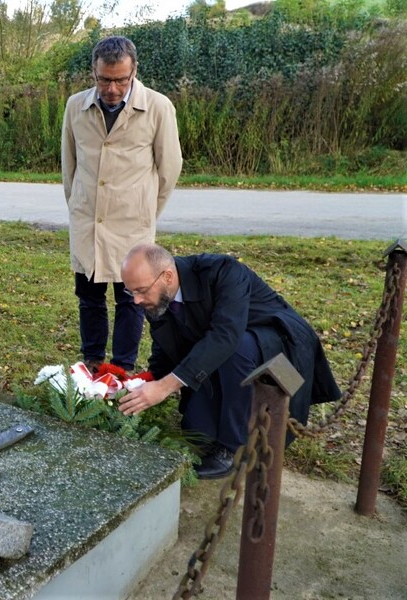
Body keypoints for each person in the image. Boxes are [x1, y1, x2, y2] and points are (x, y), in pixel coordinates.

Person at [117, 243, 341, 479]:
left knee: (236, 347)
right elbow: (165, 343)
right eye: (131, 292)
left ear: (168, 277)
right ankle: (216, 430)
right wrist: (145, 382)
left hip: (277, 343)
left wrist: (165, 387)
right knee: (197, 432)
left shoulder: (223, 271)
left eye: (141, 291)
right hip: (229, 346)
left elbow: (225, 336)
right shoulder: (156, 294)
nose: (136, 300)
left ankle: (234, 447)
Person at [61, 35, 183, 377]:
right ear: (93, 73)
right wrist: (78, 206)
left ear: (134, 72)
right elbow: (69, 166)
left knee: (132, 299)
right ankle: (93, 363)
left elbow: (169, 168)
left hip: (133, 224)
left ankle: (121, 369)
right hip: (88, 221)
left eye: (120, 80)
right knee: (89, 296)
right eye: (104, 80)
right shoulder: (75, 107)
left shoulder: (158, 107)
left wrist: (145, 212)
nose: (112, 89)